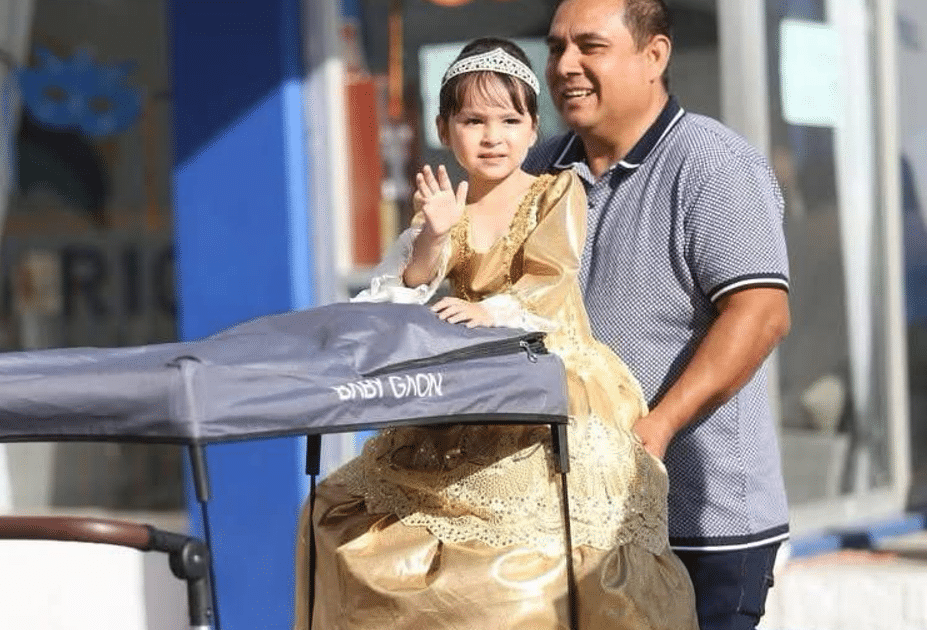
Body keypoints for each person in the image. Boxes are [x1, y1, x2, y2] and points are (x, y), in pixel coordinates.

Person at [293, 37, 697, 630]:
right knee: (342, 515)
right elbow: (408, 286)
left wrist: (494, 311)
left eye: (510, 120)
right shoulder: (445, 208)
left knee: (539, 559)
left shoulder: (556, 191)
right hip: (472, 391)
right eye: (473, 121)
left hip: (552, 383)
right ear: (444, 128)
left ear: (534, 129)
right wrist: (434, 234)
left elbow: (551, 280)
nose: (492, 136)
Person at [521, 1, 792, 628]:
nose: (565, 65)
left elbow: (760, 314)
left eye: (590, 46)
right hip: (571, 520)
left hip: (697, 527)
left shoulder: (712, 163)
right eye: (556, 48)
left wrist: (658, 427)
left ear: (655, 55)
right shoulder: (538, 171)